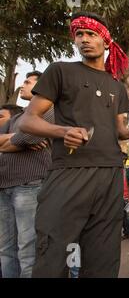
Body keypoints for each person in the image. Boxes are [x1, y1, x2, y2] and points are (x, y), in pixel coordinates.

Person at [18, 11, 129, 278]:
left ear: (106, 41)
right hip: (69, 172)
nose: (84, 39)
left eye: (91, 34)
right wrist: (62, 131)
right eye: (79, 34)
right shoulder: (61, 70)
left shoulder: (117, 87)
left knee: (103, 258)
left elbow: (118, 129)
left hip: (109, 173)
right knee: (52, 255)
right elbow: (27, 121)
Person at [0, 71, 52, 278]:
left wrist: (13, 140)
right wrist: (16, 139)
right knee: (5, 250)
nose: (22, 85)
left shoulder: (48, 109)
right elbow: (23, 139)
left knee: (27, 251)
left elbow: (29, 137)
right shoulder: (18, 117)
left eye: (28, 82)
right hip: (3, 186)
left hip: (29, 185)